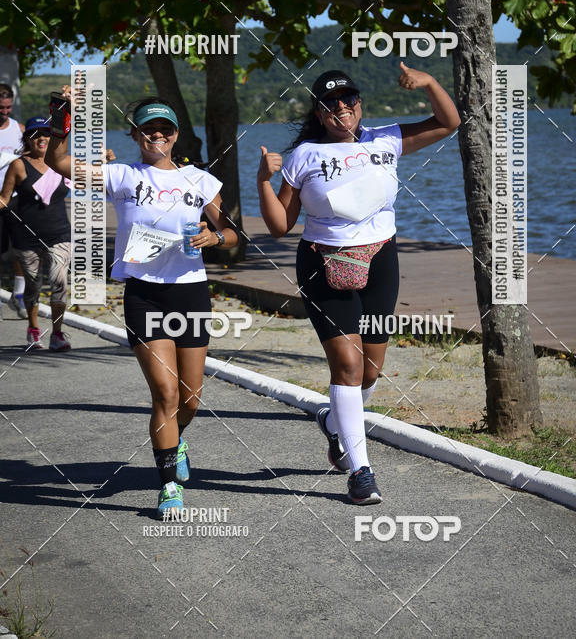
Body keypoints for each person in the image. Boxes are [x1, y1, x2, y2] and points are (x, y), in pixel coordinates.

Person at [257, 64, 460, 504]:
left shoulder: (386, 138)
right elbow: (278, 226)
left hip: (380, 259)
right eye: (331, 103)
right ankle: (361, 470)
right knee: (346, 368)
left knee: (370, 370)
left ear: (360, 104)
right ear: (319, 111)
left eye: (348, 100)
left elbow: (449, 122)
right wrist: (262, 182)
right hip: (322, 262)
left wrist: (428, 84)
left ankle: (333, 423)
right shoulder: (304, 156)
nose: (341, 108)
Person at [46, 91, 239, 519]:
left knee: (190, 399)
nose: (157, 134)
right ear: (135, 134)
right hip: (144, 293)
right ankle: (168, 484)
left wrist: (215, 237)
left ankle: (178, 439)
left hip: (190, 292)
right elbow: (60, 163)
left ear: (175, 135)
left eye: (165, 128)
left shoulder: (200, 181)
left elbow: (232, 233)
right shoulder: (121, 176)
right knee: (165, 393)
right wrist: (64, 113)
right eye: (148, 128)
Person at [0, 116, 72, 350]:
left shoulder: (61, 163)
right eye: (35, 134)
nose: (41, 138)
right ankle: (33, 328)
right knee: (33, 286)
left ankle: (58, 333)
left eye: (46, 133)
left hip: (59, 234)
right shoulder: (19, 165)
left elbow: (90, 178)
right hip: (26, 237)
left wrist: (105, 160)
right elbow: (4, 199)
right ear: (26, 139)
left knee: (59, 283)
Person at [0, 83, 27, 319]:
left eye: (8, 107)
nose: (5, 112)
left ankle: (18, 295)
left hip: (16, 198)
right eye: (1, 108)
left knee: (20, 249)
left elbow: (34, 156)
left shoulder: (19, 129)